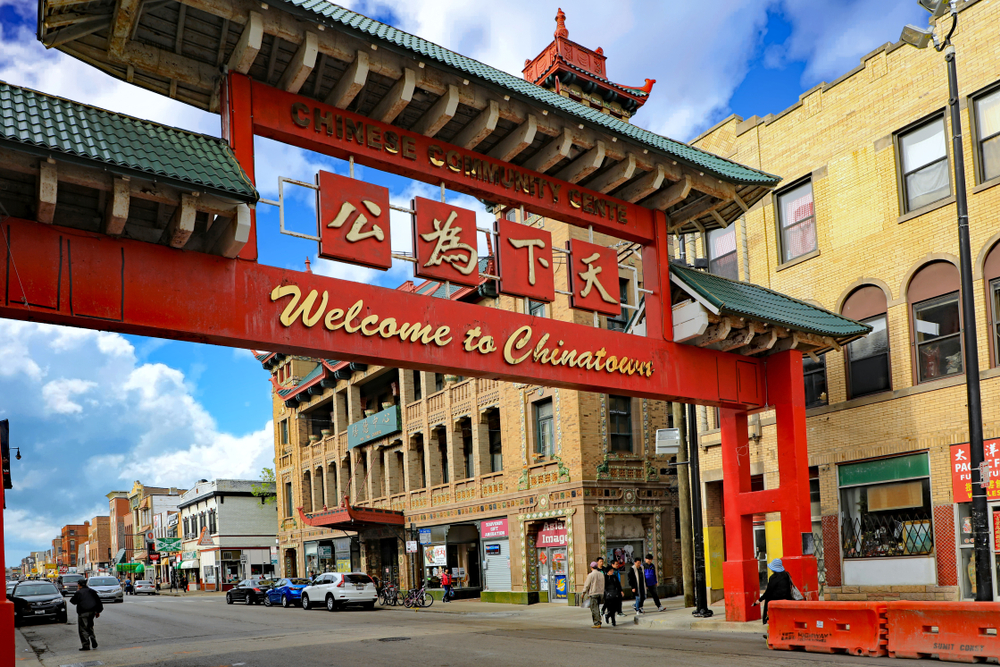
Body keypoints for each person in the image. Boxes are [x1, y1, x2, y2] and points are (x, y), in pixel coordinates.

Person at [753, 558, 796, 625]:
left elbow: (768, 592)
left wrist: (760, 600)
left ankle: (766, 619)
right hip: (787, 598)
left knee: (768, 599)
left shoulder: (773, 578)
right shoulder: (786, 575)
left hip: (776, 599)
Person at [70, 579, 104, 651]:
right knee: (90, 626)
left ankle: (86, 645)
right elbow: (98, 602)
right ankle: (92, 638)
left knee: (83, 629)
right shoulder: (92, 591)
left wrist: (77, 592)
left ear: (79, 585)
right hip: (92, 612)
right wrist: (98, 611)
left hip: (83, 612)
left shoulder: (79, 592)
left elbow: (73, 601)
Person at [580, 561, 605, 629]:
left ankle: (597, 623)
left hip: (593, 593)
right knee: (597, 608)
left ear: (591, 567)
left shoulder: (590, 575)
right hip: (601, 593)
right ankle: (599, 621)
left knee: (594, 609)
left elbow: (587, 585)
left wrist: (583, 593)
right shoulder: (601, 574)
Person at [603, 560, 623, 626]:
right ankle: (613, 621)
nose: (612, 572)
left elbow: (618, 585)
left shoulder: (614, 577)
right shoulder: (605, 578)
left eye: (612, 571)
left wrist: (621, 591)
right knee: (611, 608)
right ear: (608, 571)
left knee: (615, 608)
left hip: (615, 594)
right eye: (611, 571)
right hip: (608, 595)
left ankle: (608, 616)